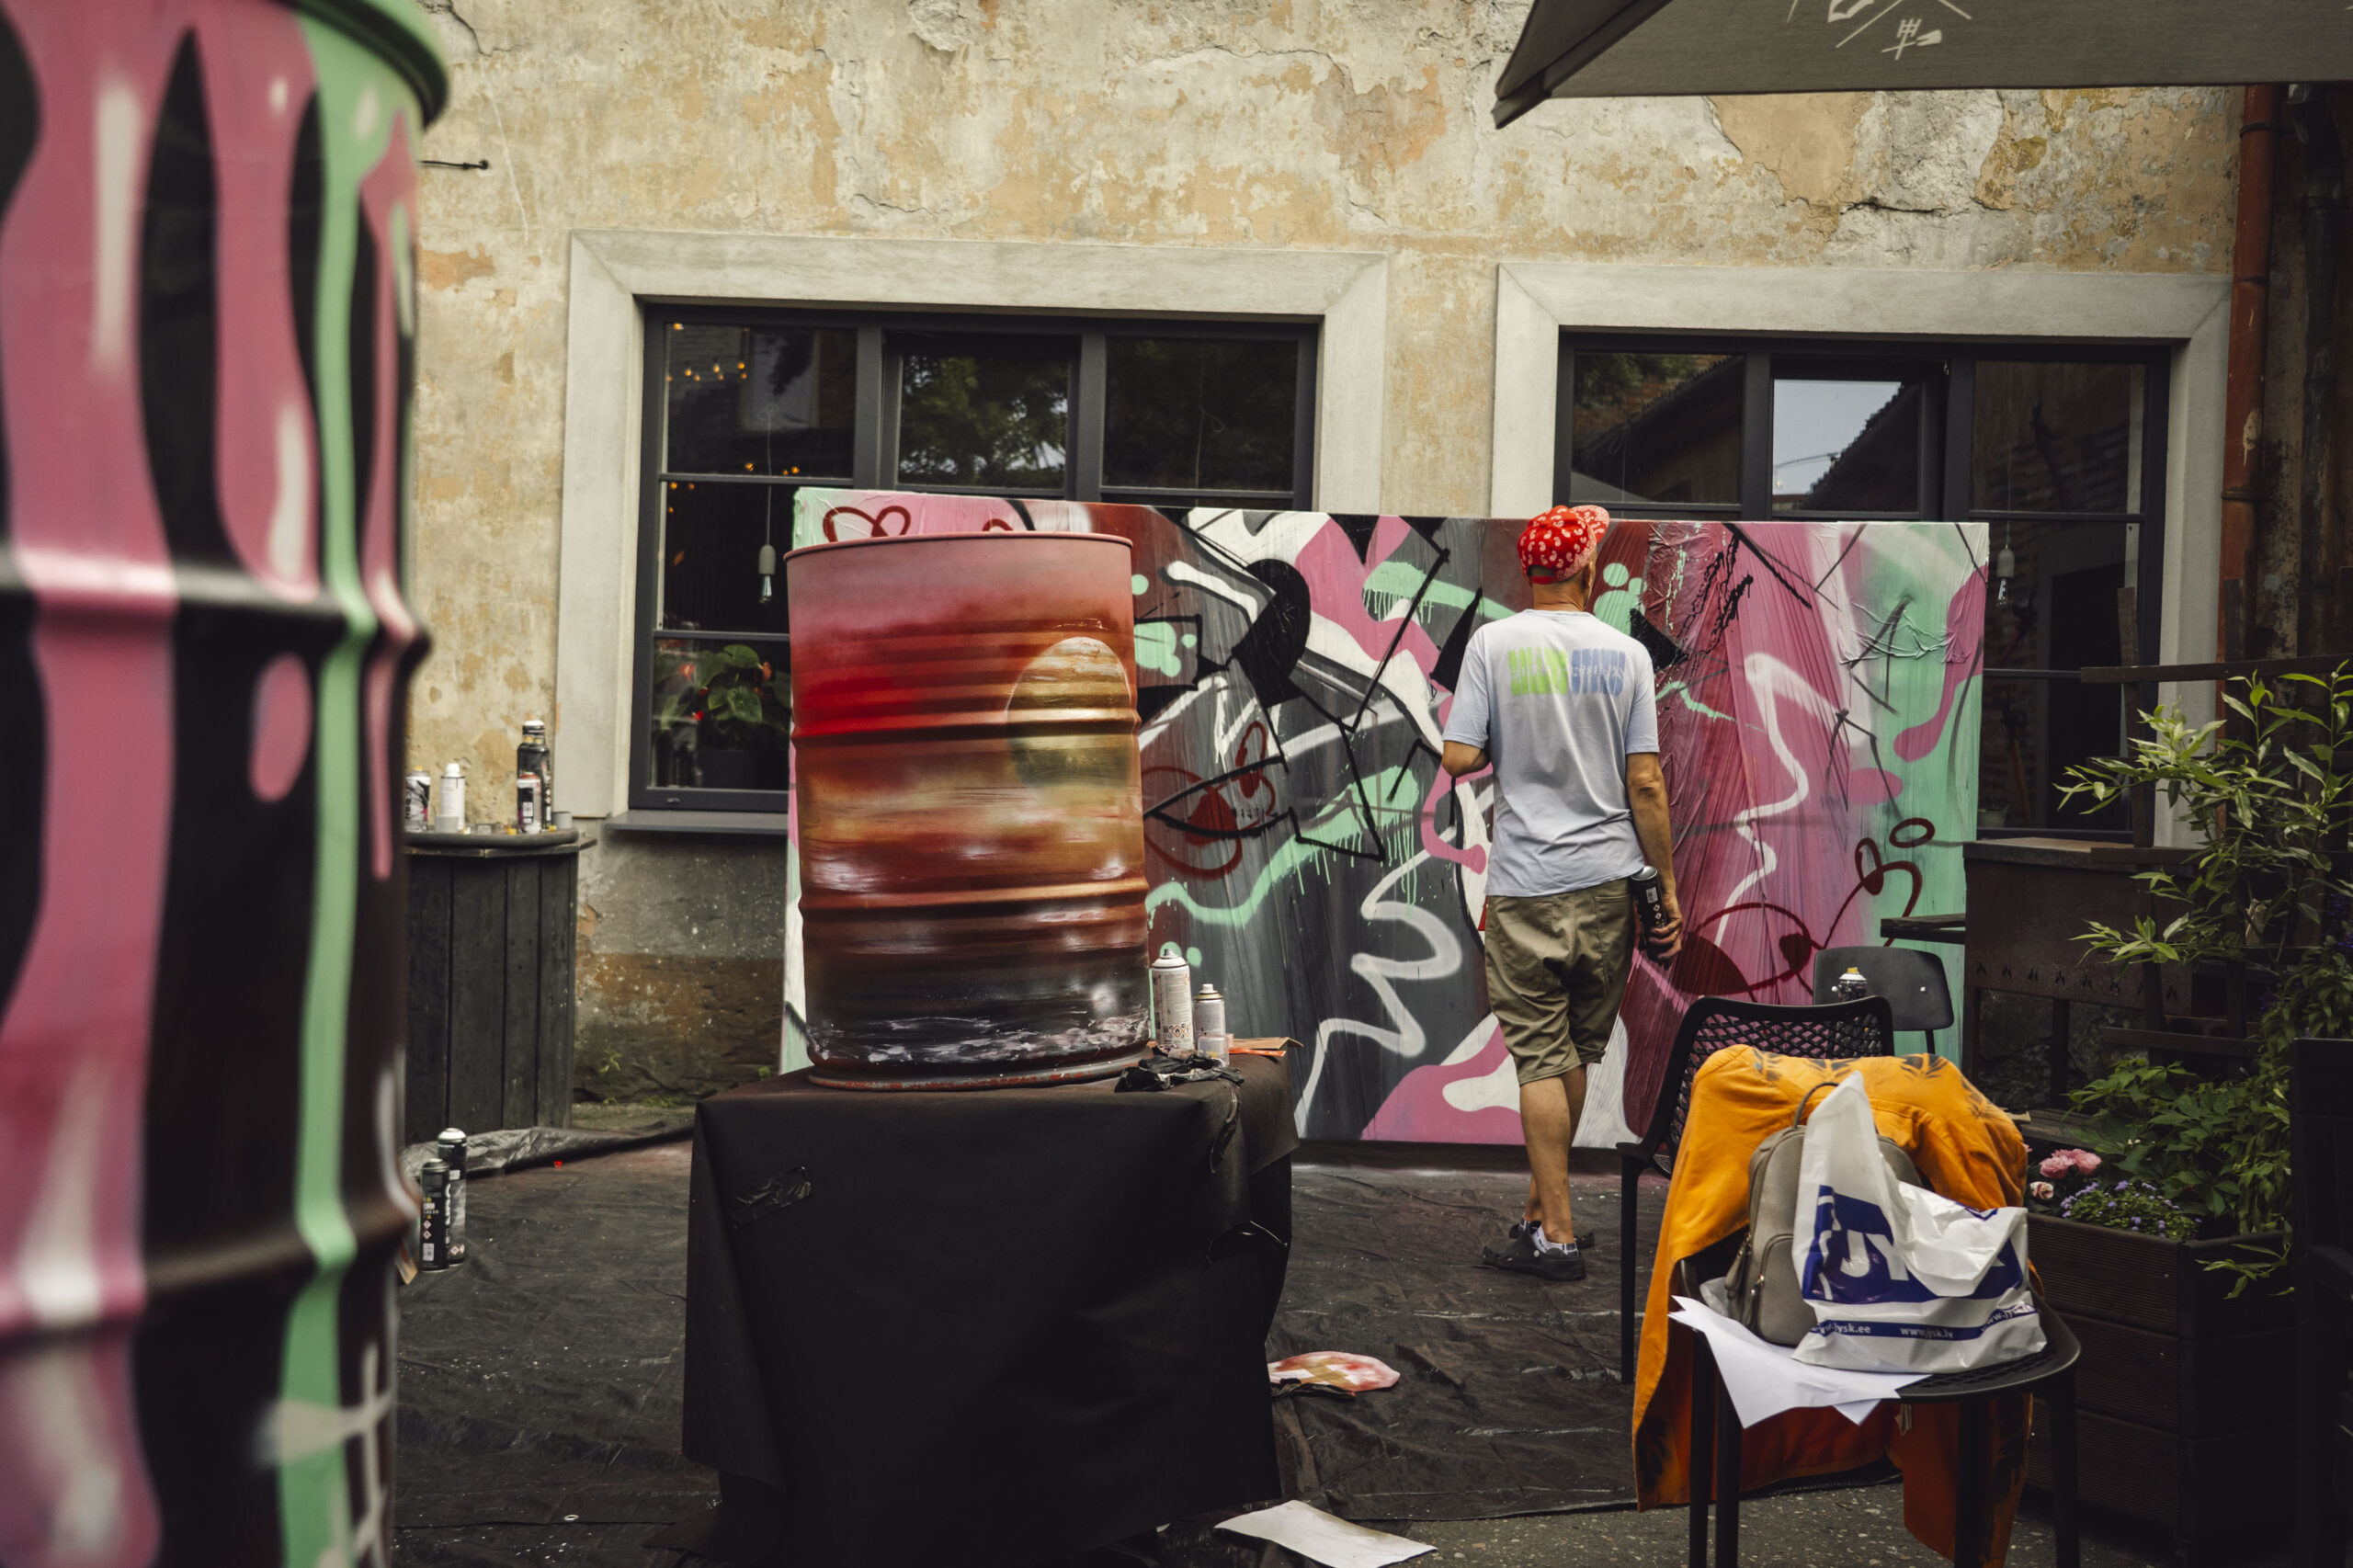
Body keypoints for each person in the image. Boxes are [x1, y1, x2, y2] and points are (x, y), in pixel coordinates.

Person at [1438, 504, 1682, 1282]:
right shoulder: (1627, 655)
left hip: (1526, 886)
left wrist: (1508, 735)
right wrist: (1666, 889)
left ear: (1530, 572)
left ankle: (1558, 1233)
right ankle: (1542, 1216)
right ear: (1585, 568)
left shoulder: (1493, 644)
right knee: (1573, 1052)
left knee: (1541, 1056)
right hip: (1609, 887)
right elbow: (1646, 783)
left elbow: (1457, 757)